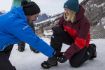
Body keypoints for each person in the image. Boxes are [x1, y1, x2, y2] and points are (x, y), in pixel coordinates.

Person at [41, 0, 97, 69]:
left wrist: (66, 55)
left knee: (74, 63)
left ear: (73, 11)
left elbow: (80, 42)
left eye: (67, 10)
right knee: (56, 32)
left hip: (82, 43)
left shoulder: (84, 23)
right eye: (65, 9)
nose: (65, 12)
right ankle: (53, 59)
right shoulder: (65, 16)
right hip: (72, 39)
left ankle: (91, 49)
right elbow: (59, 30)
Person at [0, 1, 54, 70]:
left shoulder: (14, 14)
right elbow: (34, 40)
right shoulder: (17, 23)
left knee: (9, 44)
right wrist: (53, 53)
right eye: (35, 16)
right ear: (29, 14)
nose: (36, 19)